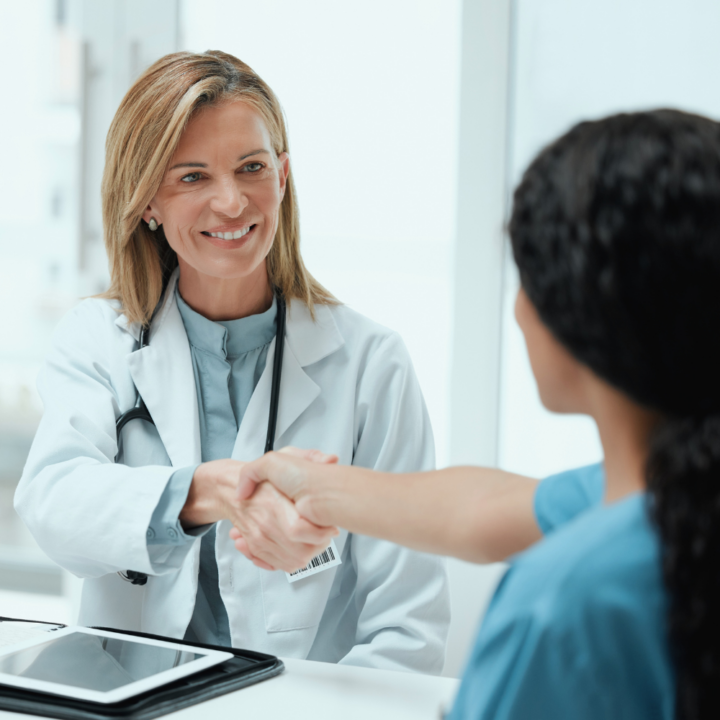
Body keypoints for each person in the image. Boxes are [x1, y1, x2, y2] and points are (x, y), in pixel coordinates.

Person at [233, 109, 720, 718]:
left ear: (575, 317)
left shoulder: (565, 602)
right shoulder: (672, 494)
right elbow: (483, 509)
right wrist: (312, 488)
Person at [14, 50, 450, 673]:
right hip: (133, 702)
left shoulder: (370, 365)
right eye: (192, 177)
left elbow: (407, 633)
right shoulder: (99, 340)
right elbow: (53, 502)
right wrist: (212, 492)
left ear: (283, 176)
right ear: (146, 204)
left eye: (251, 168)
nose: (231, 202)